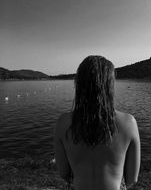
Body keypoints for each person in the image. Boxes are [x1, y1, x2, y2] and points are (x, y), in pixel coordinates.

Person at [54, 55, 140, 190]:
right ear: (109, 84)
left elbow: (64, 173)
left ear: (79, 84)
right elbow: (132, 178)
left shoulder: (63, 122)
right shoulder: (129, 122)